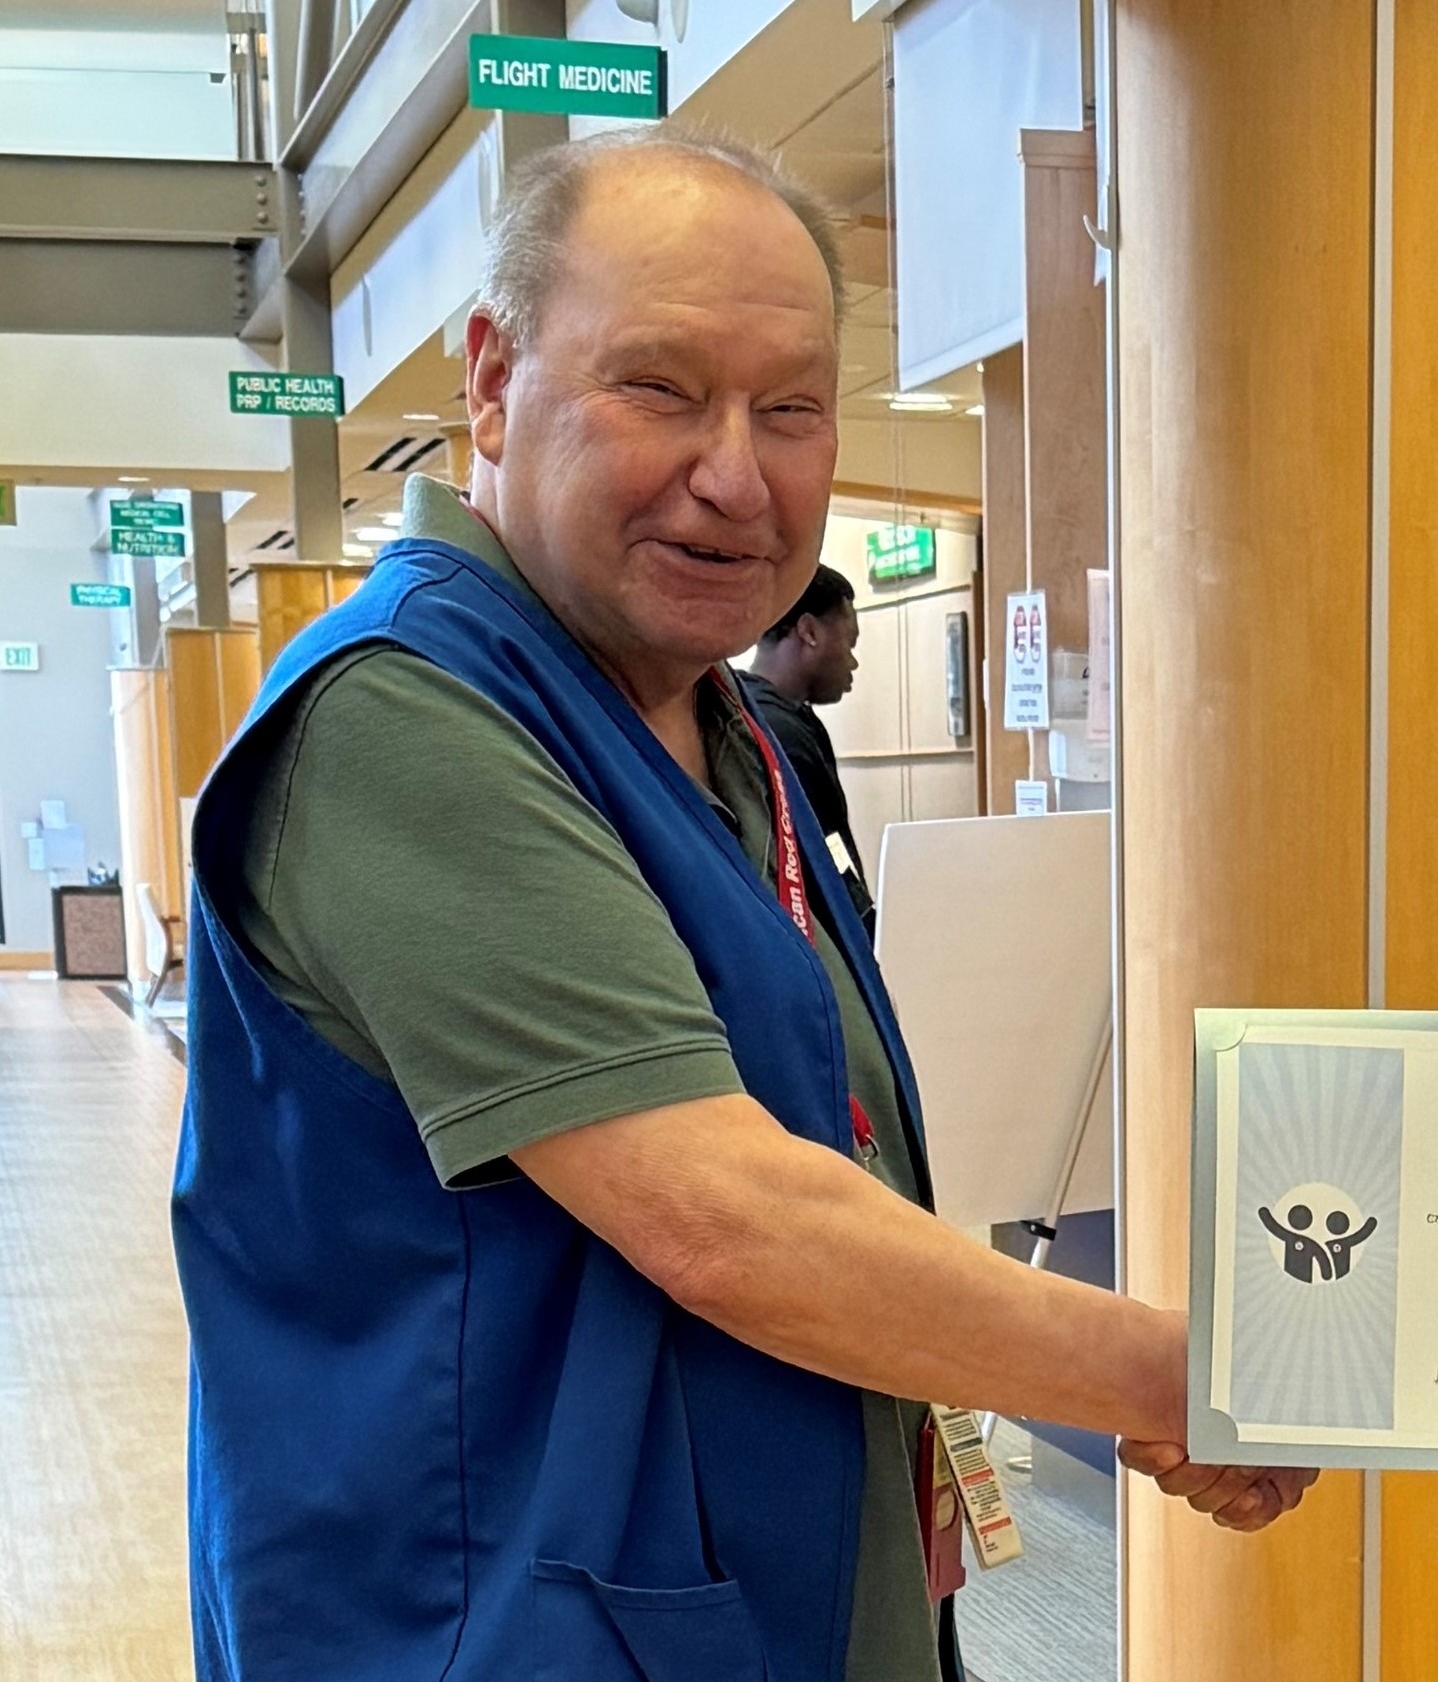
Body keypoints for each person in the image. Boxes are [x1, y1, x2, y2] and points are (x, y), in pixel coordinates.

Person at [171, 127, 1302, 1682]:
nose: (735, 473)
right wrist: (1187, 1372)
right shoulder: (400, 724)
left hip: (776, 1588)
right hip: (497, 1618)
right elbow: (730, 1219)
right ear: (491, 380)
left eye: (791, 410)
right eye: (660, 388)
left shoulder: (732, 731)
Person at [737, 564, 872, 923]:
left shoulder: (752, 711)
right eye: (849, 642)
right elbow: (823, 856)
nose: (853, 661)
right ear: (809, 631)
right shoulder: (780, 733)